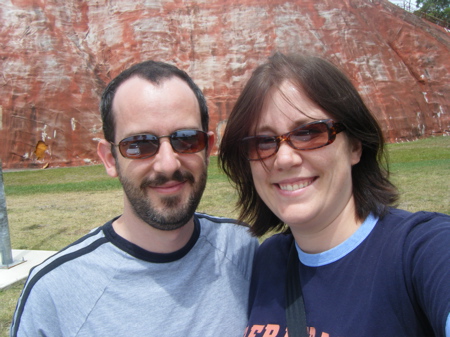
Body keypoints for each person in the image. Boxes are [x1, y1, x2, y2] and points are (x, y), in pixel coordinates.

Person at [11, 60, 258, 337]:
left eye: (186, 139)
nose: (168, 164)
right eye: (140, 144)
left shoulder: (244, 251)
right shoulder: (54, 293)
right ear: (109, 159)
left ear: (208, 148)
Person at [219, 52, 450, 337]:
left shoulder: (421, 249)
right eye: (263, 142)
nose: (284, 159)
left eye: (309, 133)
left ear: (355, 146)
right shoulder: (269, 260)